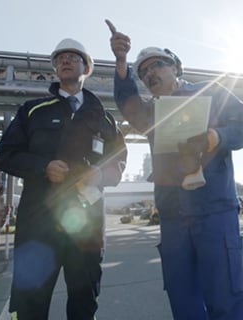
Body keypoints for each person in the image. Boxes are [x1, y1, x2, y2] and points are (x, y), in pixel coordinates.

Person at [106, 19, 243, 320]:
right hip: (173, 217)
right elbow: (127, 104)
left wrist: (216, 137)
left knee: (225, 296)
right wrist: (121, 63)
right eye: (143, 72)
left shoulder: (212, 92)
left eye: (157, 65)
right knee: (184, 301)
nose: (150, 73)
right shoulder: (150, 112)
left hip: (215, 210)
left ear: (175, 68)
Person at [0, 38, 127, 320]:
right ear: (55, 68)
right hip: (39, 224)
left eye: (73, 56)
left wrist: (101, 174)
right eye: (60, 58)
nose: (65, 61)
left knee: (84, 302)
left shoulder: (104, 119)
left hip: (87, 227)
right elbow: (6, 155)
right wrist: (43, 166)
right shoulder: (32, 111)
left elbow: (119, 161)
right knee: (31, 302)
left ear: (87, 67)